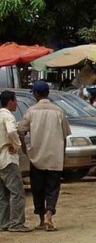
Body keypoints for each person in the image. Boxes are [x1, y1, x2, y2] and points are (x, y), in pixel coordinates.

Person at [18, 81, 71, 232]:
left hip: (36, 156)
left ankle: (42, 220)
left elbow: (20, 130)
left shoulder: (31, 111)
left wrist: (25, 148)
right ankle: (49, 214)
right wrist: (63, 154)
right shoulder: (59, 111)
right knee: (53, 187)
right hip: (55, 156)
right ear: (48, 93)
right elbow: (65, 135)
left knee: (38, 188)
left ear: (36, 94)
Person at [0, 91, 31, 232]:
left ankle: (4, 222)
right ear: (10, 101)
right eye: (15, 101)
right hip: (8, 159)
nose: (16, 104)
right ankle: (16, 223)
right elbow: (12, 131)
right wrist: (16, 145)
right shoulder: (8, 116)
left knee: (3, 194)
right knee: (17, 192)